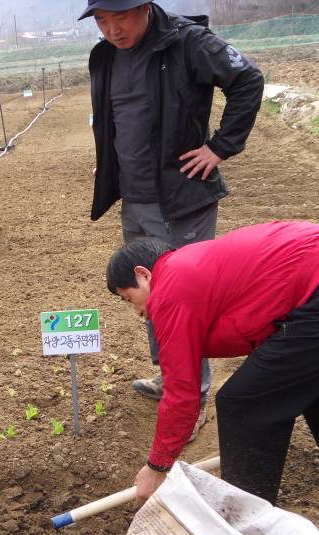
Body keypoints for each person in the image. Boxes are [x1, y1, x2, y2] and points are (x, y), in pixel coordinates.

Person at [80, 0, 264, 431]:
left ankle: (194, 395)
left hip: (180, 199)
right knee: (151, 295)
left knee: (186, 299)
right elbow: (115, 119)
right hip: (135, 198)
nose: (112, 30)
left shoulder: (187, 42)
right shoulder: (106, 55)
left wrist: (220, 147)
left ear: (144, 7)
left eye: (120, 17)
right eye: (102, 21)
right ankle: (171, 376)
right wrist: (110, 163)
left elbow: (248, 79)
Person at [106, 221, 319, 506]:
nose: (139, 312)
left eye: (130, 299)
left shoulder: (170, 289)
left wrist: (157, 467)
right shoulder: (195, 267)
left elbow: (181, 391)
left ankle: (250, 523)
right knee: (313, 389)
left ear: (143, 274)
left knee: (244, 404)